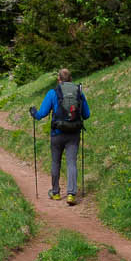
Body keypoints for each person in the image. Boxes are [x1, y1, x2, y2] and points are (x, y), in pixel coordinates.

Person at [30, 68, 90, 203]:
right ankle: (71, 194)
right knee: (71, 163)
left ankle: (56, 192)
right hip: (73, 134)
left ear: (59, 79)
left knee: (56, 162)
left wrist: (34, 112)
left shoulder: (53, 93)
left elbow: (41, 114)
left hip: (57, 134)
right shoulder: (79, 92)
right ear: (71, 79)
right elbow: (86, 115)